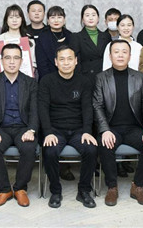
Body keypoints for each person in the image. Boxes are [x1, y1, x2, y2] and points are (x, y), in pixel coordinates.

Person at [93, 40, 143, 207]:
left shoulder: (139, 77)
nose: (120, 55)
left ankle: (138, 186)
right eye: (116, 52)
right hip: (111, 128)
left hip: (133, 128)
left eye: (124, 52)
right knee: (104, 145)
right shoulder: (101, 78)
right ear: (110, 56)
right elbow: (97, 105)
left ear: (130, 56)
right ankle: (112, 187)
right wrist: (104, 130)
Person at [39, 46, 97, 209]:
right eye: (62, 59)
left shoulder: (84, 81)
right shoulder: (47, 81)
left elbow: (87, 108)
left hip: (78, 129)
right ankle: (56, 191)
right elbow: (42, 108)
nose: (66, 63)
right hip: (55, 130)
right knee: (50, 151)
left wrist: (87, 131)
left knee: (91, 149)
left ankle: (84, 190)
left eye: (70, 59)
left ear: (76, 61)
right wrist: (48, 132)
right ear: (56, 62)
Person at [0, 44, 38, 207]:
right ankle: (4, 189)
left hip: (23, 127)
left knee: (29, 147)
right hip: (1, 128)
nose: (12, 62)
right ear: (1, 60)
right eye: (8, 58)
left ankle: (20, 188)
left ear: (21, 61)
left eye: (16, 58)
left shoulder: (31, 83)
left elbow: (35, 110)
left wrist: (32, 130)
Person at [0, 4, 36, 76]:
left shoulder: (29, 40)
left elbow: (33, 64)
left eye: (17, 17)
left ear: (22, 20)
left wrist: (27, 80)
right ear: (6, 20)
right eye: (11, 17)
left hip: (25, 80)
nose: (14, 20)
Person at [74, 5, 111, 88]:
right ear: (82, 19)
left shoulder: (106, 36)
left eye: (93, 15)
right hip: (86, 78)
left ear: (98, 18)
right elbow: (76, 61)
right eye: (87, 15)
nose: (91, 18)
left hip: (104, 77)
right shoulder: (76, 37)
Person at [34, 6, 74, 80]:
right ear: (48, 20)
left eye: (59, 17)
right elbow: (42, 65)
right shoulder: (42, 37)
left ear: (64, 20)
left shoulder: (71, 36)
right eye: (52, 17)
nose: (56, 20)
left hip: (69, 78)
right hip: (48, 79)